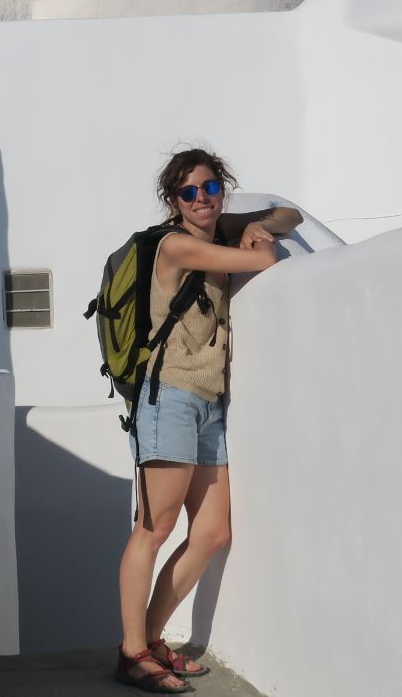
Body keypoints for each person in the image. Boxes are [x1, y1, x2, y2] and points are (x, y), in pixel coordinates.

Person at [114, 148, 302, 693]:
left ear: (223, 188)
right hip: (169, 397)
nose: (202, 199)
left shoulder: (219, 229)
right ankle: (131, 652)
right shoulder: (176, 245)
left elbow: (289, 215)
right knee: (155, 528)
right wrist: (256, 240)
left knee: (213, 532)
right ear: (173, 201)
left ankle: (151, 640)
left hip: (209, 400)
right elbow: (265, 262)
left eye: (211, 187)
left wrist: (256, 225)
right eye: (189, 192)